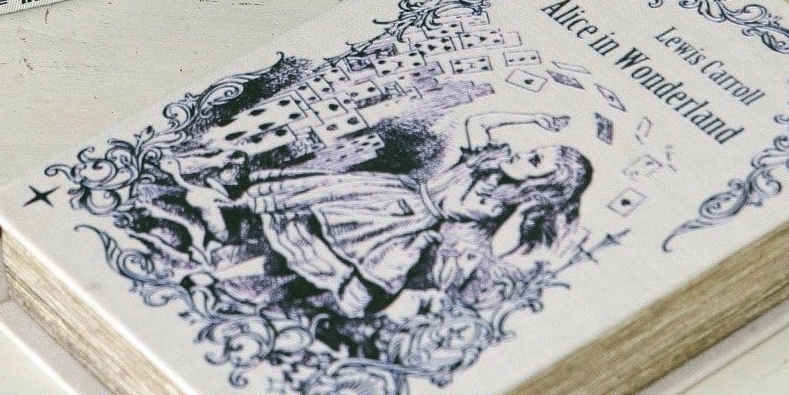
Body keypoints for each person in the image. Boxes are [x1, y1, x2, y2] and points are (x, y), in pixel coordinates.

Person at [230, 115, 593, 318]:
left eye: (534, 161)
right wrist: (534, 118)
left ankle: (259, 288)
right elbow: (479, 121)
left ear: (540, 183)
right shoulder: (490, 162)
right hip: (392, 192)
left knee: (334, 247)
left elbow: (463, 215)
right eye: (533, 150)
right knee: (313, 201)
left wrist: (500, 183)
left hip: (405, 220)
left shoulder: (495, 204)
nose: (522, 154)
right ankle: (236, 222)